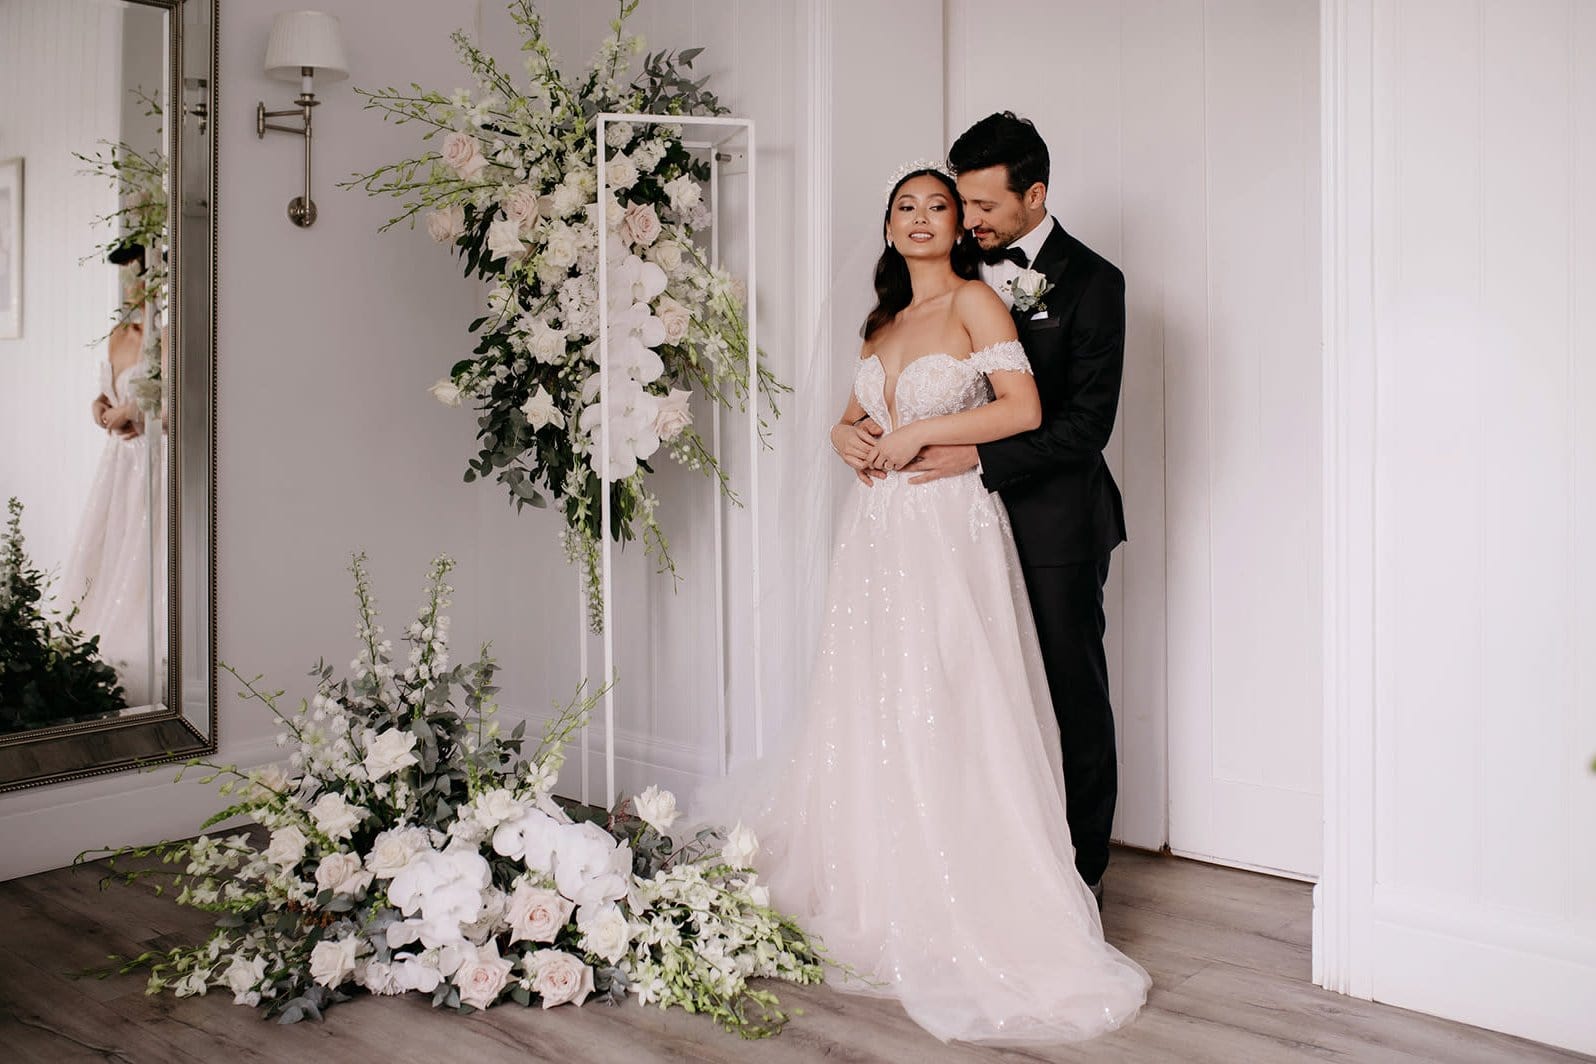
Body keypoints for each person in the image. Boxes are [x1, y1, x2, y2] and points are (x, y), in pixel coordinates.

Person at [696, 163, 1148, 1044]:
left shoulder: (979, 304)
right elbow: (856, 414)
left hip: (947, 526)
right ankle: (879, 876)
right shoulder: (884, 321)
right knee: (878, 697)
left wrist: (918, 433)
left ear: (958, 227)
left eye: (940, 206)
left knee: (953, 691)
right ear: (889, 225)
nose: (922, 218)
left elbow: (1021, 410)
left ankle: (985, 887)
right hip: (876, 534)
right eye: (906, 206)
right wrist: (842, 432)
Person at [840, 114, 1128, 902]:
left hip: (1054, 521)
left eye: (982, 206)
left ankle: (1078, 880)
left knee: (1067, 697)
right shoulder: (940, 286)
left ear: (1034, 195)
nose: (967, 221)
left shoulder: (1093, 282)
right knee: (961, 696)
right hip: (946, 526)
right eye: (954, 203)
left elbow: (1083, 425)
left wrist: (975, 453)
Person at [58, 248, 166, 708]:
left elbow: (178, 398)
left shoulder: (166, 334)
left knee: (147, 553)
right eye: (126, 277)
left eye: (137, 275)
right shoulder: (121, 335)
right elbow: (104, 393)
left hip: (155, 457)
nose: (131, 286)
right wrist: (101, 409)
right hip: (120, 460)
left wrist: (137, 410)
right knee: (112, 543)